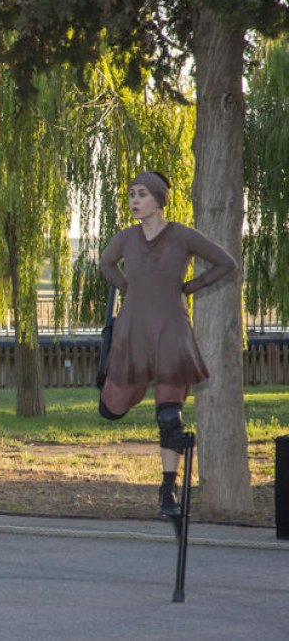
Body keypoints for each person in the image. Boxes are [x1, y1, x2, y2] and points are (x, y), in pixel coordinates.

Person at [98, 171, 236, 517]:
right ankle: (125, 387)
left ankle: (167, 490)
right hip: (132, 329)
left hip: (172, 331)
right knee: (109, 409)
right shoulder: (126, 238)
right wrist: (127, 287)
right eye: (131, 194)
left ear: (159, 200)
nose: (134, 200)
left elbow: (226, 263)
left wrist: (192, 286)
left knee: (169, 417)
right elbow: (105, 263)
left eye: (141, 194)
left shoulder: (182, 236)